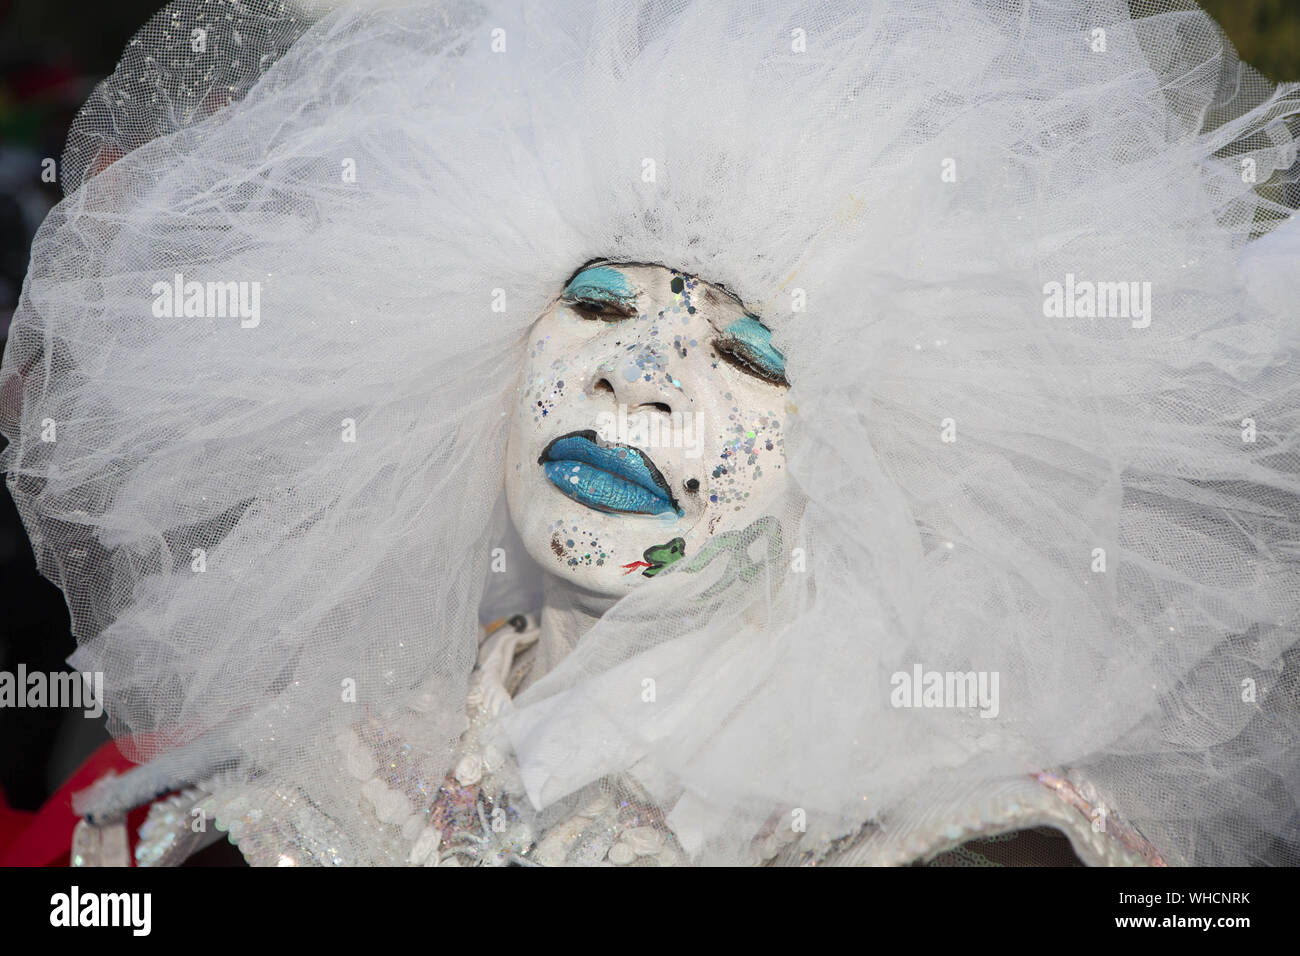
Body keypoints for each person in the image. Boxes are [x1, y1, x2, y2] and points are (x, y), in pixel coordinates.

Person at [2, 0, 1298, 867]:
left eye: (743, 352)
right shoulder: (309, 772)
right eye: (600, 302)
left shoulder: (964, 830)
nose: (640, 379)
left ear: (849, 452)